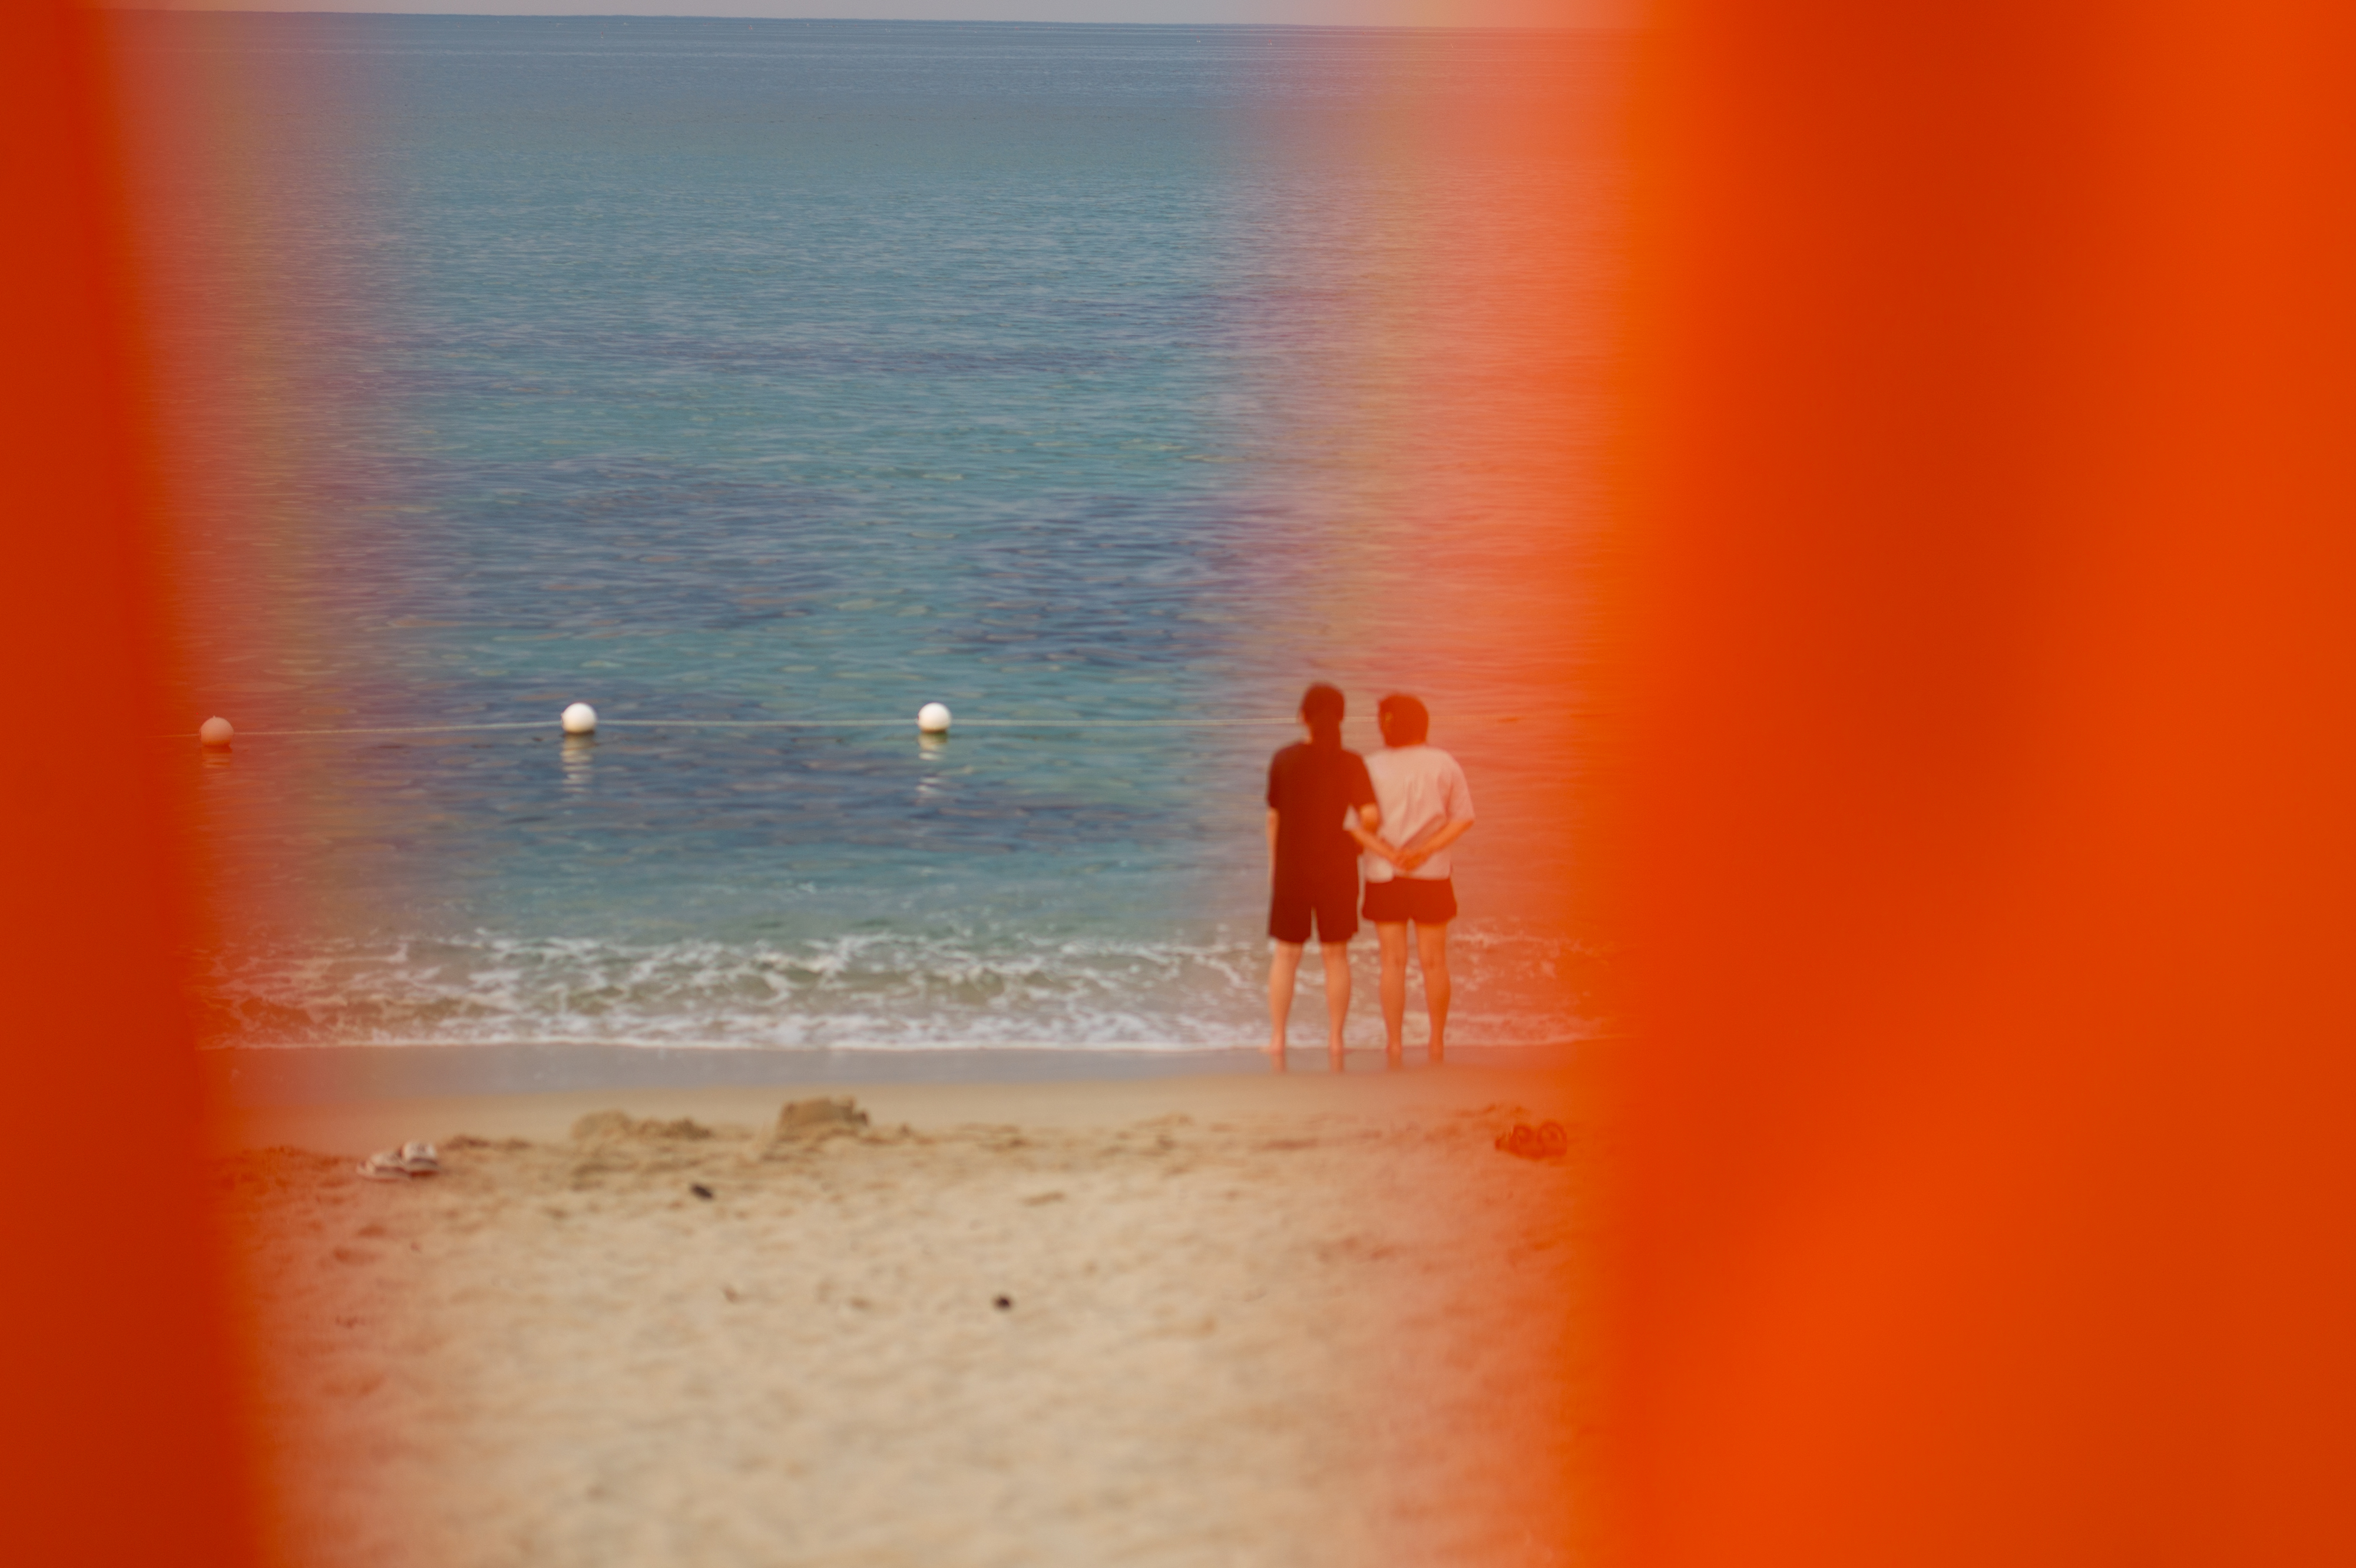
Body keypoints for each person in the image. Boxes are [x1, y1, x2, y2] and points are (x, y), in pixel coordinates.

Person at [1265, 683, 1379, 1072]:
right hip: (1338, 869)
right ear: (1342, 718)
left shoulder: (1284, 759)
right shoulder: (1352, 762)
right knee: (1336, 956)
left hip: (1292, 869)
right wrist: (1357, 845)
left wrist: (1274, 867)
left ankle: (1278, 1040)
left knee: (1286, 955)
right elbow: (1369, 816)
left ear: (1303, 716)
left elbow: (1274, 818)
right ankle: (1336, 1041)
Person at [1359, 693, 1475, 1066]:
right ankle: (1436, 1042)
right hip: (1432, 872)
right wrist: (1424, 851)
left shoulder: (1370, 766)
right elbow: (1463, 818)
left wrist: (1389, 852)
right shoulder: (1445, 763)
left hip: (1384, 871)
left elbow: (1356, 824)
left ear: (1387, 725)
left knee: (1392, 962)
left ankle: (1394, 1045)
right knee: (1435, 961)